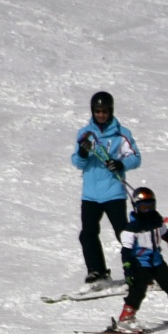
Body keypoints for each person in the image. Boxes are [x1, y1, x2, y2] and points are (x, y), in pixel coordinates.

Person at [72, 91, 141, 286]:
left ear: (111, 111)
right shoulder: (85, 133)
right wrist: (83, 152)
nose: (101, 115)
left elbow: (135, 158)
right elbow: (78, 162)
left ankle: (139, 269)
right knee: (88, 234)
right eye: (97, 111)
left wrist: (120, 164)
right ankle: (97, 271)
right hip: (91, 194)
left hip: (113, 192)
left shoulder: (122, 134)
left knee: (124, 233)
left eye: (104, 111)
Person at [114, 188, 168, 332]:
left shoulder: (157, 221)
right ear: (136, 207)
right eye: (143, 207)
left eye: (150, 206)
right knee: (138, 289)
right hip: (140, 262)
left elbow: (166, 234)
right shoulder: (132, 228)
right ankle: (125, 319)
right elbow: (126, 250)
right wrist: (127, 268)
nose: (147, 210)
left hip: (156, 261)